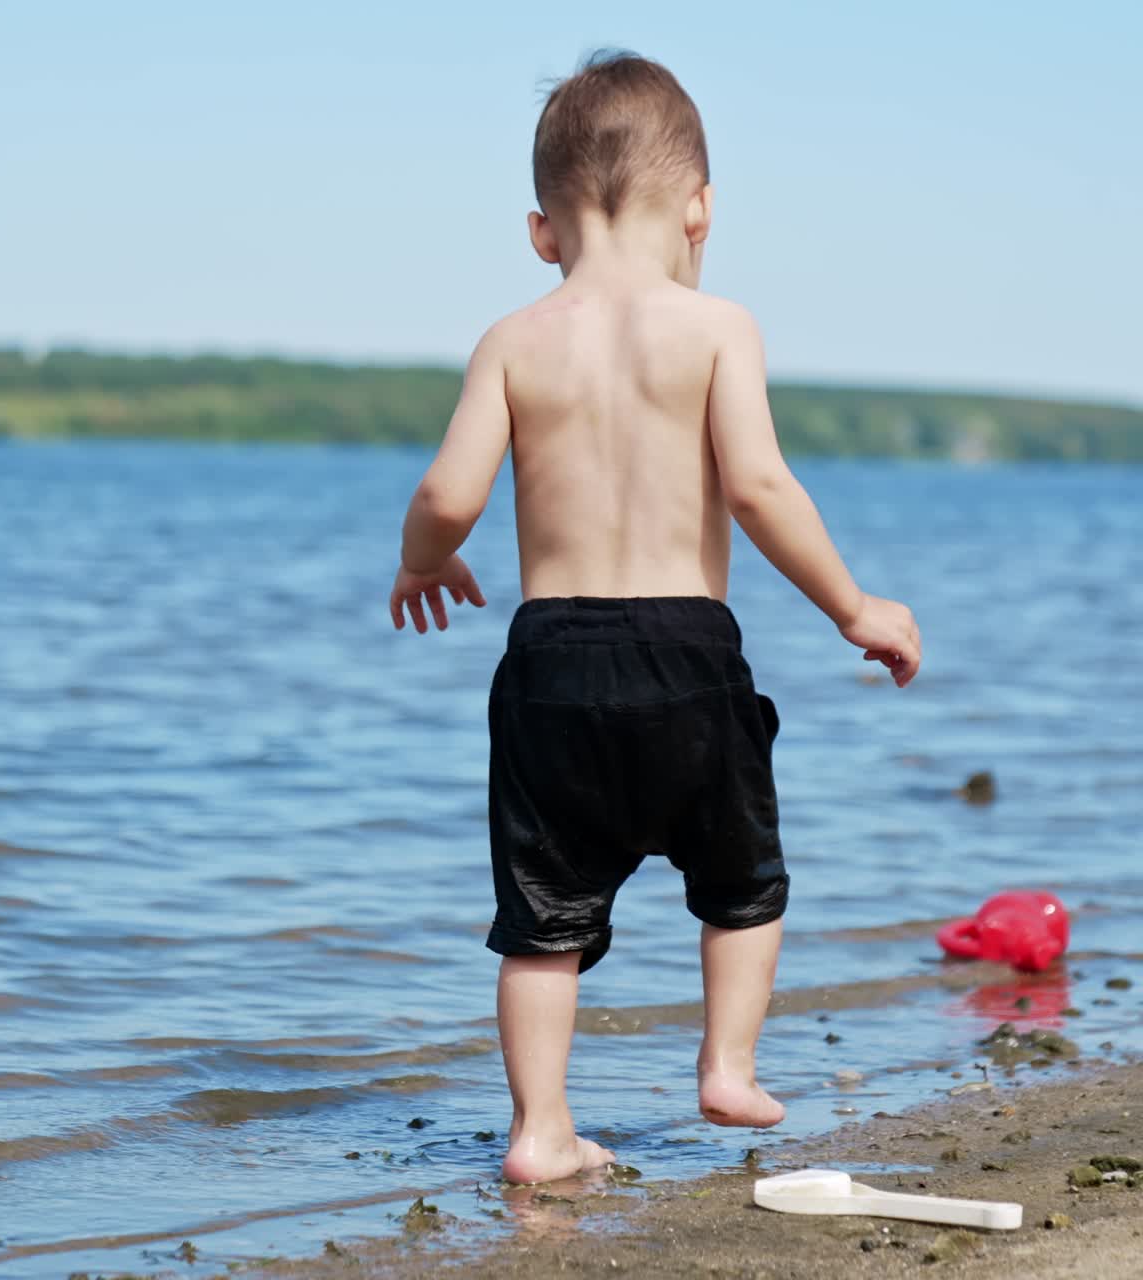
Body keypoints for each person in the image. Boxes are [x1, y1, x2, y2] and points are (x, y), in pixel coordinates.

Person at [388, 51, 920, 1186]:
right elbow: (759, 488)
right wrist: (852, 605)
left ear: (541, 230)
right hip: (687, 650)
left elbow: (448, 493)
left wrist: (419, 563)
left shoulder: (512, 339)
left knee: (540, 914)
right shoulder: (717, 324)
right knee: (739, 881)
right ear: (700, 207)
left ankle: (538, 1130)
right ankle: (725, 1063)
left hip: (550, 655)